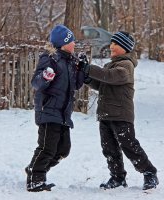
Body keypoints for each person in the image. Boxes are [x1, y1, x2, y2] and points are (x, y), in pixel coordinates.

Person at [81, 31, 159, 190]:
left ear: (125, 48)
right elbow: (102, 84)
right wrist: (87, 77)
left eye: (115, 44)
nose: (111, 46)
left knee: (129, 145)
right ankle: (117, 177)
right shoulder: (110, 65)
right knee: (108, 148)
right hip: (105, 114)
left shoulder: (126, 65)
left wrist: (88, 68)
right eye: (111, 43)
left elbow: (110, 77)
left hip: (121, 115)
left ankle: (149, 173)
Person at [25, 24, 85, 192]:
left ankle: (34, 169)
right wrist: (45, 77)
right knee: (47, 147)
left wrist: (82, 68)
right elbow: (36, 82)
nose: (74, 44)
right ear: (63, 43)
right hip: (48, 110)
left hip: (63, 113)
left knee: (63, 150)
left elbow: (77, 85)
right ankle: (35, 179)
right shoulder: (50, 58)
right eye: (71, 41)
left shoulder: (71, 61)